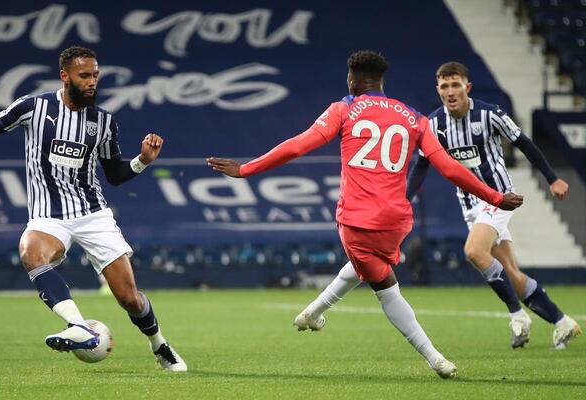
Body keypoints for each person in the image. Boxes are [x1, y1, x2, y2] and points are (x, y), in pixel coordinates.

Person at [207, 51, 523, 379]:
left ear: (354, 80)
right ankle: (313, 313)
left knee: (385, 287)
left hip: (357, 220)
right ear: (381, 81)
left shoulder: (344, 108)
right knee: (367, 265)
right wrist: (495, 197)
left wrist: (246, 168)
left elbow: (299, 145)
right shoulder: (414, 117)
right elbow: (447, 167)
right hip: (397, 220)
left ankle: (435, 358)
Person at [0, 46, 187, 372]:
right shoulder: (34, 108)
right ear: (65, 76)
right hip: (48, 216)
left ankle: (160, 345)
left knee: (129, 298)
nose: (92, 82)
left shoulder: (104, 122)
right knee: (30, 251)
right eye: (84, 75)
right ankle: (79, 326)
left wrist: (143, 161)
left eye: (95, 75)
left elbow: (116, 174)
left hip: (92, 214)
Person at [405, 61, 580, 349]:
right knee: (512, 274)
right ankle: (563, 323)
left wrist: (552, 178)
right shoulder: (434, 124)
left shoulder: (489, 114)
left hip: (499, 197)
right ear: (438, 90)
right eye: (444, 86)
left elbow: (523, 142)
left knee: (474, 251)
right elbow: (421, 164)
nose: (450, 91)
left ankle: (517, 316)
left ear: (467, 87)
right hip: (469, 204)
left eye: (455, 85)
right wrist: (405, 201)